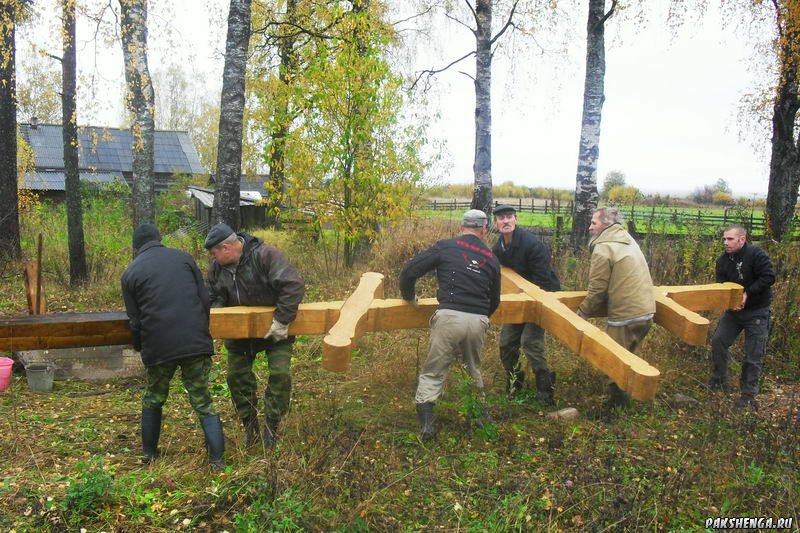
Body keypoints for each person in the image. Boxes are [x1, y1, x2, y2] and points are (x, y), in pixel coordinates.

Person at [121, 223, 224, 469]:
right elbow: (204, 300)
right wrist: (201, 333)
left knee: (153, 398)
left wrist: (140, 347)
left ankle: (150, 454)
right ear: (160, 239)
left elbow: (134, 321)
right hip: (195, 342)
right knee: (203, 401)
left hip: (158, 347)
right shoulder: (184, 259)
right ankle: (218, 461)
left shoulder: (130, 273)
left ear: (135, 247)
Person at [400, 209, 501, 441]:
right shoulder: (491, 258)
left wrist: (409, 297)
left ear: (460, 227)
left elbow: (409, 272)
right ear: (484, 230)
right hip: (478, 320)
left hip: (448, 318)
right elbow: (494, 299)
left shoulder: (446, 246)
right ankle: (479, 421)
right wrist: (482, 318)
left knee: (434, 372)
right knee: (473, 370)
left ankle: (426, 426)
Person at [204, 223, 305, 448]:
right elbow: (212, 296)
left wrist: (281, 321)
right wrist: (223, 316)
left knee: (280, 375)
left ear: (226, 247)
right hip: (240, 335)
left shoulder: (266, 256)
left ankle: (272, 427)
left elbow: (293, 286)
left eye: (214, 253)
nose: (213, 258)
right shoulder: (216, 269)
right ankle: (251, 427)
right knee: (236, 378)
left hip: (275, 330)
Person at [577, 208, 655, 412]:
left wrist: (581, 314)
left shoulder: (604, 248)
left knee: (611, 364)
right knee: (628, 359)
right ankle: (628, 401)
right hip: (646, 311)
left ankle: (616, 412)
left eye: (593, 223)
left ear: (605, 224)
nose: (590, 227)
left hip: (626, 315)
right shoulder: (626, 240)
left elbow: (597, 290)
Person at [491, 204, 561, 405]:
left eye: (509, 217)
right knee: (506, 344)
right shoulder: (499, 246)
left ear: (516, 220)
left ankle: (545, 388)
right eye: (501, 218)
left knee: (530, 341)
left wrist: (533, 307)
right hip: (519, 300)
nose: (506, 221)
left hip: (541, 298)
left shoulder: (532, 245)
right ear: (496, 223)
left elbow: (544, 280)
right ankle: (515, 381)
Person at [709, 224, 775, 409]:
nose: (726, 243)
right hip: (733, 313)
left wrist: (747, 294)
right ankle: (719, 379)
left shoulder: (756, 254)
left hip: (757, 311)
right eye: (724, 239)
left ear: (742, 239)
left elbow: (769, 276)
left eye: (730, 239)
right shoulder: (722, 261)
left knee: (753, 355)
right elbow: (721, 286)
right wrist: (728, 302)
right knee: (718, 341)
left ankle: (748, 395)